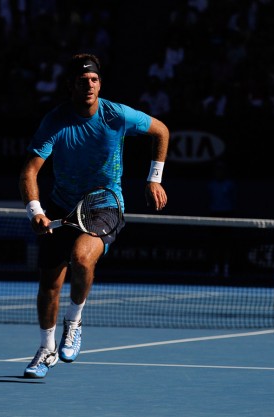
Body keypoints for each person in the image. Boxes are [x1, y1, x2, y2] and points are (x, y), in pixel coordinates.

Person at [18, 53, 170, 378]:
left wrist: (154, 178)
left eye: (94, 80)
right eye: (83, 80)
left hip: (106, 203)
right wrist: (36, 211)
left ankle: (74, 322)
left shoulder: (117, 115)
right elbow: (29, 171)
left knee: (81, 258)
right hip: (61, 205)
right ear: (71, 85)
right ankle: (46, 349)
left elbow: (161, 131)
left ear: (100, 84)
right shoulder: (55, 121)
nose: (89, 85)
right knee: (49, 284)